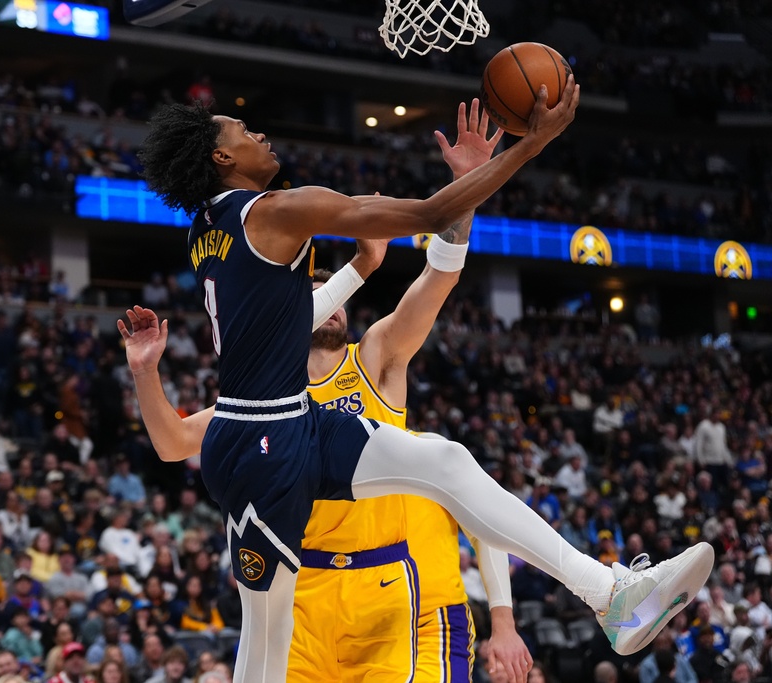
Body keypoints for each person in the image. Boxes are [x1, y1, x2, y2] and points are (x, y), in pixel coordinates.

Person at [129, 93, 714, 682]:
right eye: (245, 130)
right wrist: (530, 144)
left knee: (447, 459)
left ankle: (610, 594)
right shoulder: (277, 210)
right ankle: (610, 595)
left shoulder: (210, 230)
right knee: (264, 649)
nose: (261, 135)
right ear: (222, 156)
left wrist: (359, 270)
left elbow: (282, 323)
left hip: (292, 424)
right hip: (259, 445)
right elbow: (431, 214)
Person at [124, 158, 528, 678]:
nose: (325, 300)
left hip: (383, 584)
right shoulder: (259, 398)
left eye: (329, 289)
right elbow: (174, 441)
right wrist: (144, 372)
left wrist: (465, 191)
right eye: (309, 291)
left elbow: (439, 278)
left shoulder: (377, 355)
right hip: (303, 592)